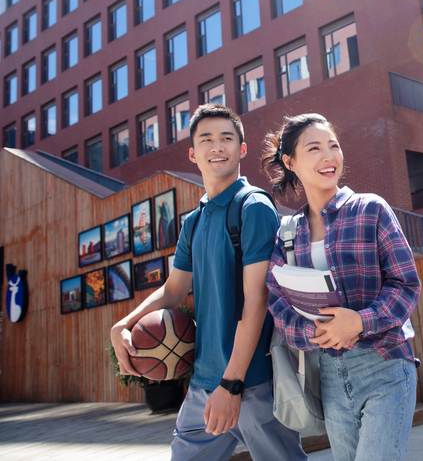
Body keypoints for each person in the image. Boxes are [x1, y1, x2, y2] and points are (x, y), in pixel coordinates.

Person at [110, 103, 308, 461]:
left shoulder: (254, 207)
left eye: (226, 138)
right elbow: (173, 290)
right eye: (206, 139)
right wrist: (124, 324)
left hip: (252, 381)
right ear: (193, 153)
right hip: (204, 381)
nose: (217, 146)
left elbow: (256, 300)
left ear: (241, 149)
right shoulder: (193, 222)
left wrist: (232, 384)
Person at [261, 113, 421, 461]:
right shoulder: (288, 233)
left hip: (386, 366)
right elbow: (278, 306)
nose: (328, 156)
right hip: (330, 377)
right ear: (290, 162)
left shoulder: (370, 209)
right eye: (314, 148)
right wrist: (314, 334)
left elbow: (405, 284)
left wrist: (362, 321)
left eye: (333, 146)